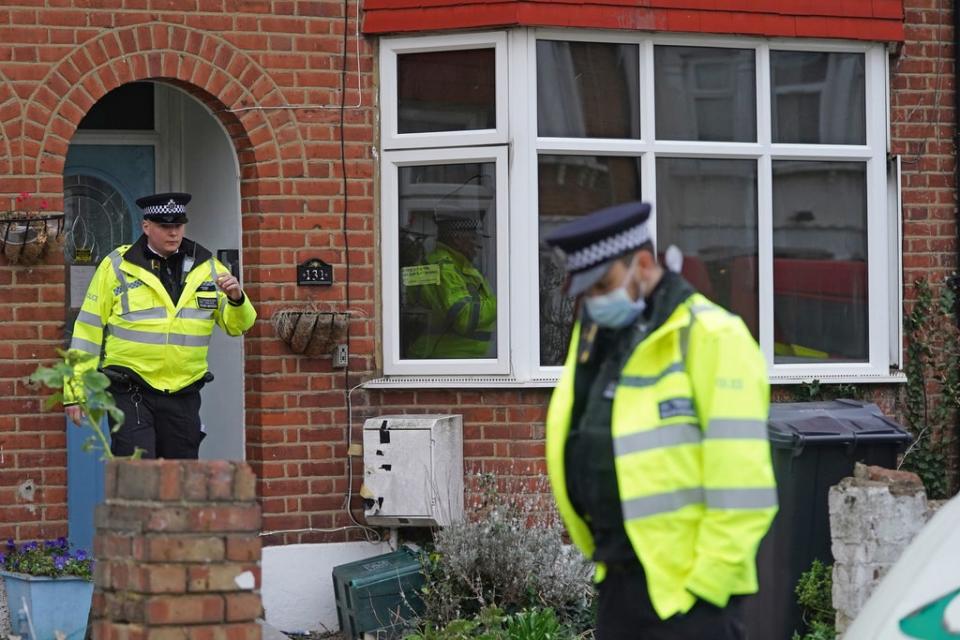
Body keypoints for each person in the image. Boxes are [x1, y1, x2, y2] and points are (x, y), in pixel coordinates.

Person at [543, 201, 777, 639]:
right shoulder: (602, 339)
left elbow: (744, 487)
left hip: (689, 601)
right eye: (587, 292)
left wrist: (705, 589)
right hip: (619, 582)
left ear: (644, 264)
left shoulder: (713, 336)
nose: (594, 301)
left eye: (604, 285)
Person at [64, 192, 256, 459]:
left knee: (178, 480)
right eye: (165, 226)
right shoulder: (118, 266)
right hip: (132, 390)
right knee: (137, 477)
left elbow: (238, 326)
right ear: (146, 226)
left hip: (183, 393)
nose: (173, 233)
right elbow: (88, 330)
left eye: (178, 225)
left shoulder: (208, 267)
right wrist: (75, 391)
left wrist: (237, 298)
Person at [405, 215, 496, 358]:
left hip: (453, 359)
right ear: (457, 239)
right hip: (446, 360)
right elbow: (464, 317)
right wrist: (502, 304)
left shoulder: (456, 265)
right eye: (473, 238)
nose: (478, 244)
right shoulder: (444, 268)